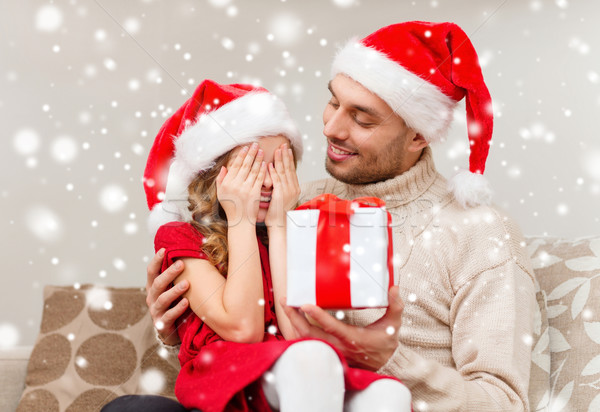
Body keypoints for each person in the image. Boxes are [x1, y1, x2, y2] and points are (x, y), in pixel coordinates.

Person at [140, 21, 536, 411]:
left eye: (363, 119)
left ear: (418, 135)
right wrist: (179, 322)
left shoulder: (480, 233)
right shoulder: (290, 201)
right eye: (332, 102)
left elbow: (503, 404)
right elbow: (247, 338)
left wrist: (387, 359)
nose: (330, 128)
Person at [103, 80, 410, 412]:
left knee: (390, 394)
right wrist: (240, 220)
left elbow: (296, 333)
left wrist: (279, 224)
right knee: (313, 357)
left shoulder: (299, 233)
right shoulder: (181, 236)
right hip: (230, 380)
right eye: (251, 168)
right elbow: (243, 328)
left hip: (295, 376)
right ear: (215, 174)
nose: (266, 182)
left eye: (279, 168)